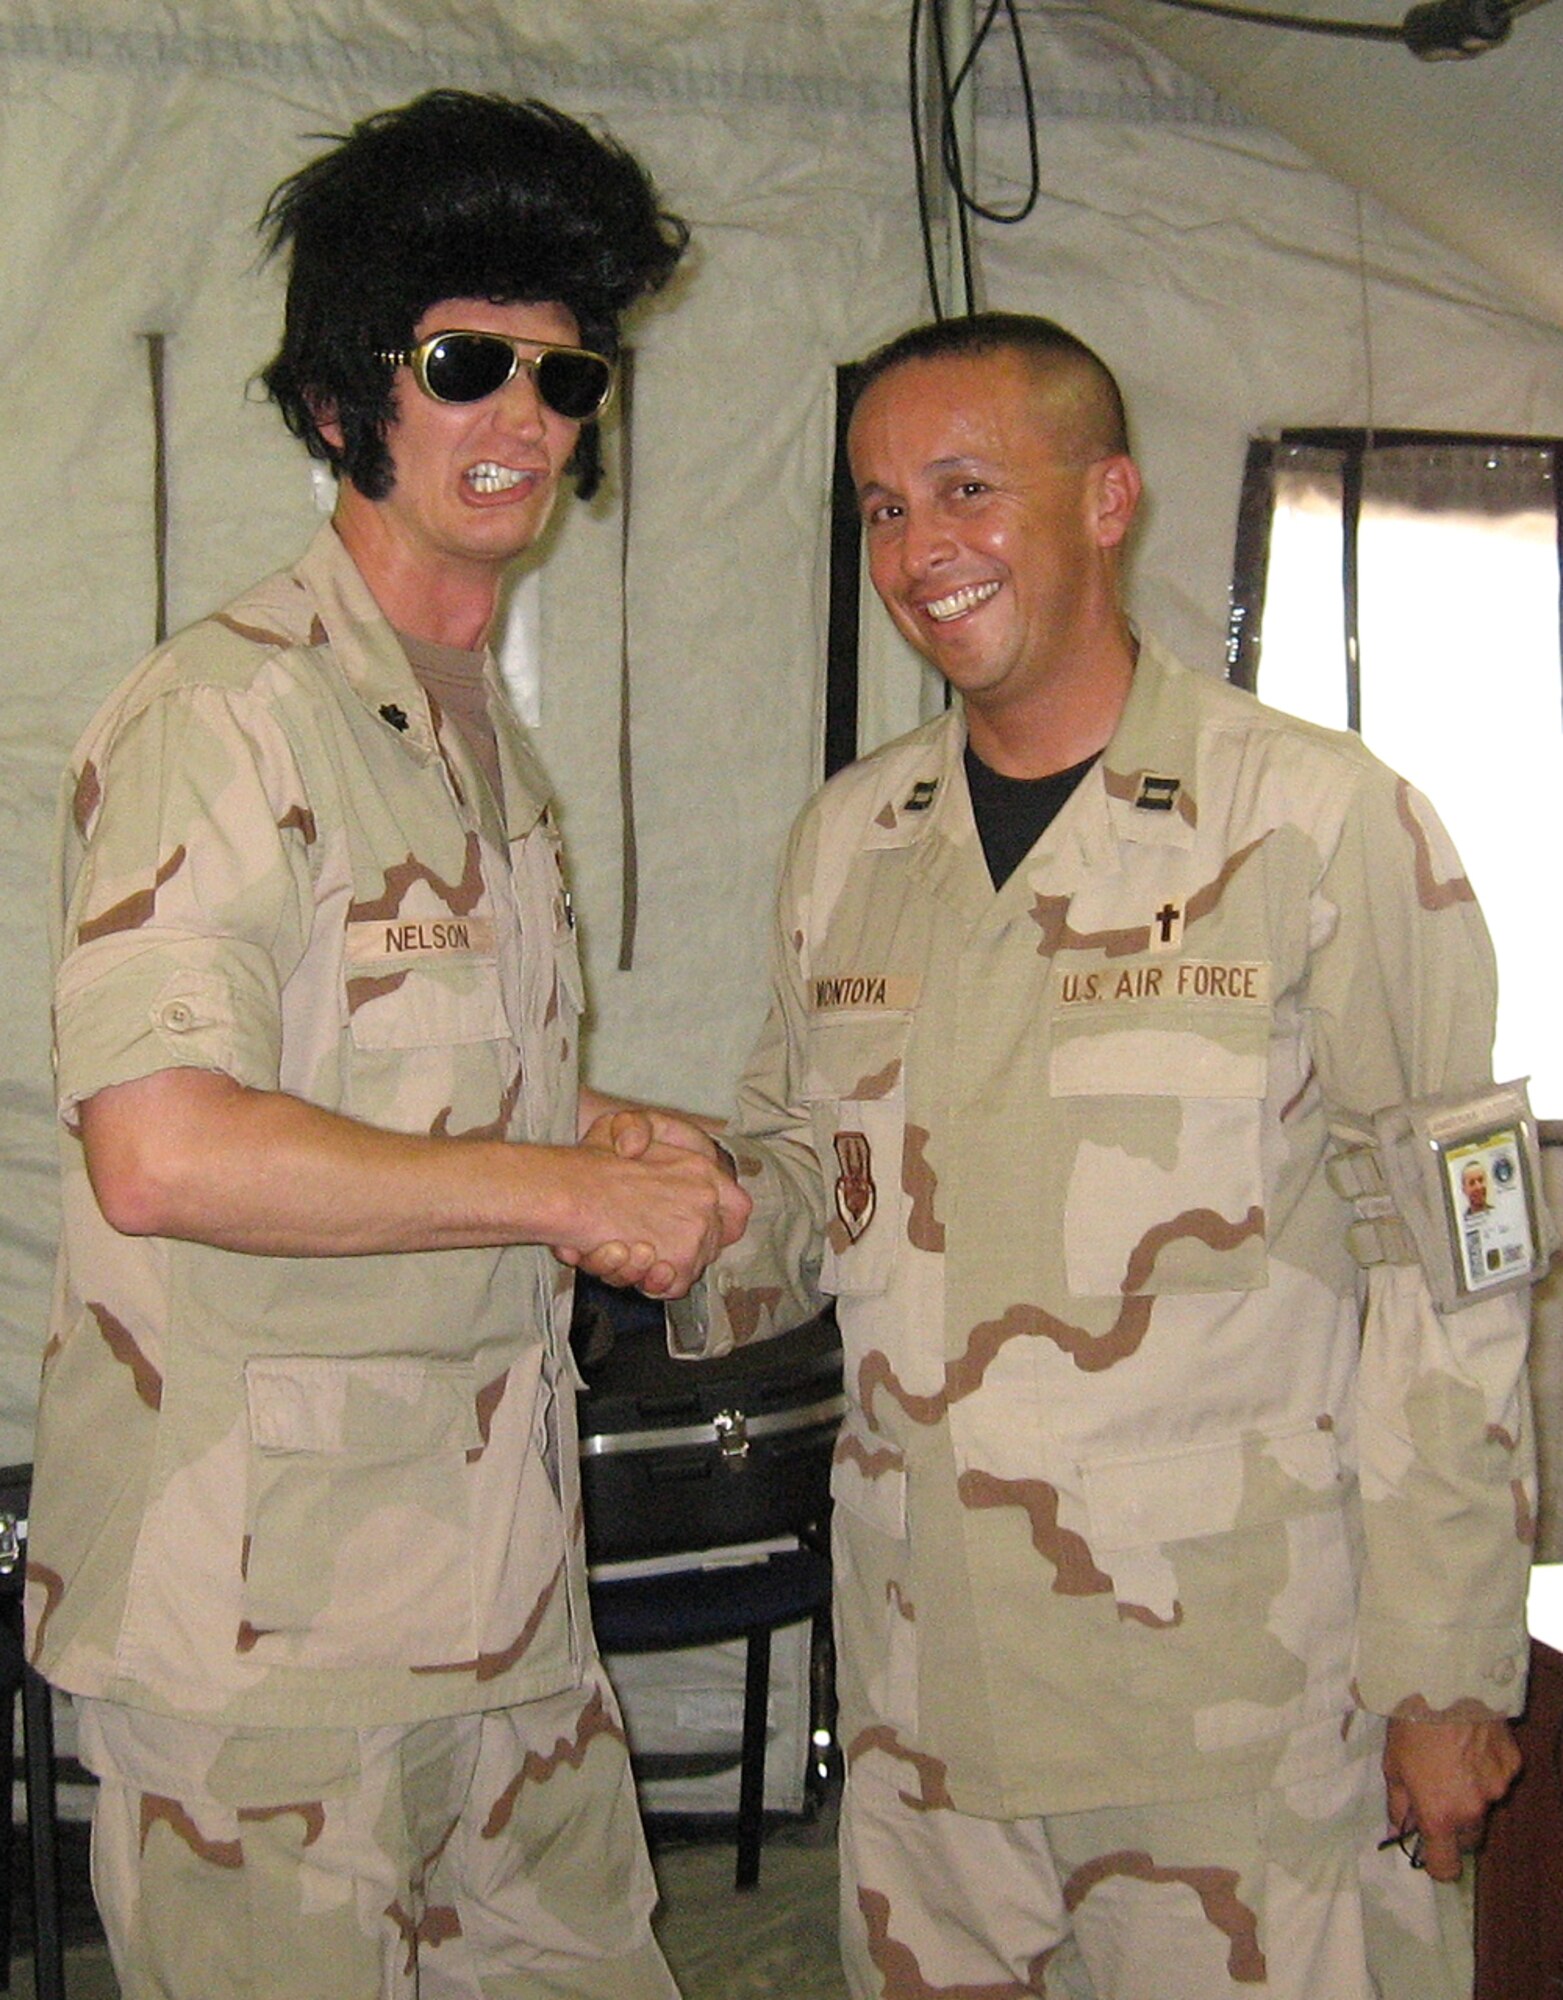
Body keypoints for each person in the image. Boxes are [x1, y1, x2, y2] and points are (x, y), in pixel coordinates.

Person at [672, 313, 1537, 1998]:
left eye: (968, 489)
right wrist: (649, 1199)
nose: (920, 550)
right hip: (930, 1714)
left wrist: (1446, 1674)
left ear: (1110, 500)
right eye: (880, 510)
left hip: (1235, 1719)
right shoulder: (852, 845)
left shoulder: (1314, 823)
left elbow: (1458, 1259)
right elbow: (800, 1181)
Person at [27, 90, 748, 2000]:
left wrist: (626, 1144)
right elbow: (162, 1144)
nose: (522, 417)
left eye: (566, 377)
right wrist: (561, 1188)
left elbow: (416, 1082)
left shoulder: (481, 740)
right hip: (274, 1648)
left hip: (501, 1594)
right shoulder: (226, 716)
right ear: (354, 394)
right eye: (465, 362)